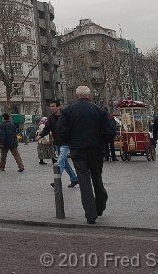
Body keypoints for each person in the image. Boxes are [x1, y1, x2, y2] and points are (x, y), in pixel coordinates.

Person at [57, 86, 115, 224]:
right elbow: (110, 130)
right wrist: (104, 141)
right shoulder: (99, 110)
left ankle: (90, 213)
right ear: (89, 96)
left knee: (84, 180)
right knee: (97, 177)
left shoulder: (68, 111)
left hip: (78, 150)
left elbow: (61, 130)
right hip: (96, 148)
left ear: (77, 96)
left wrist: (68, 141)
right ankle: (100, 203)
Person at [38, 100, 78, 188]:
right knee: (64, 162)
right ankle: (74, 178)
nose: (51, 108)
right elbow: (47, 129)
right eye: (50, 106)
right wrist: (40, 135)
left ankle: (56, 181)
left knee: (60, 161)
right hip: (57, 143)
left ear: (59, 107)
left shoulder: (66, 116)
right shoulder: (51, 118)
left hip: (66, 142)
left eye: (53, 106)